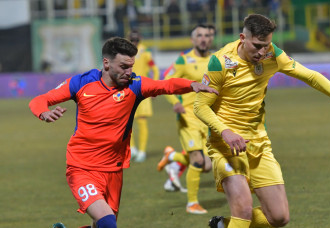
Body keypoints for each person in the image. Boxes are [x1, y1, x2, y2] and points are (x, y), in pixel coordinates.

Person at [192, 14, 330, 228]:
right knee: (243, 210)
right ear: (243, 37)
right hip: (226, 145)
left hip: (259, 144)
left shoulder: (273, 54)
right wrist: (225, 132)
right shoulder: (220, 61)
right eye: (257, 45)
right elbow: (200, 106)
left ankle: (222, 225)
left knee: (279, 217)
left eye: (267, 45)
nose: (262, 52)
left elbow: (311, 76)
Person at [28, 37, 218, 228]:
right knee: (108, 222)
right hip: (82, 168)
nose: (129, 72)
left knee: (102, 225)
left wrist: (192, 85)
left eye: (131, 66)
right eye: (124, 66)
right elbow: (39, 100)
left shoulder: (135, 85)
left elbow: (165, 86)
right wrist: (44, 113)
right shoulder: (81, 83)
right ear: (106, 63)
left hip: (114, 171)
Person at [157, 24, 213, 214]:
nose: (203, 39)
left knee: (207, 165)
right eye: (199, 35)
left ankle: (172, 156)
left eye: (207, 35)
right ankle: (192, 203)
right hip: (188, 116)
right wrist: (175, 102)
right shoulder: (184, 60)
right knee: (197, 160)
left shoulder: (215, 60)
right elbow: (166, 82)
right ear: (193, 40)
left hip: (208, 118)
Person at [128, 30, 160, 162]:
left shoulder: (141, 52)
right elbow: (155, 70)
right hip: (134, 90)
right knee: (130, 122)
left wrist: (154, 87)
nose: (134, 41)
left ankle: (139, 150)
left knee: (137, 121)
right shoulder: (131, 53)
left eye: (135, 39)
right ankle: (135, 149)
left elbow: (155, 70)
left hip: (137, 90)